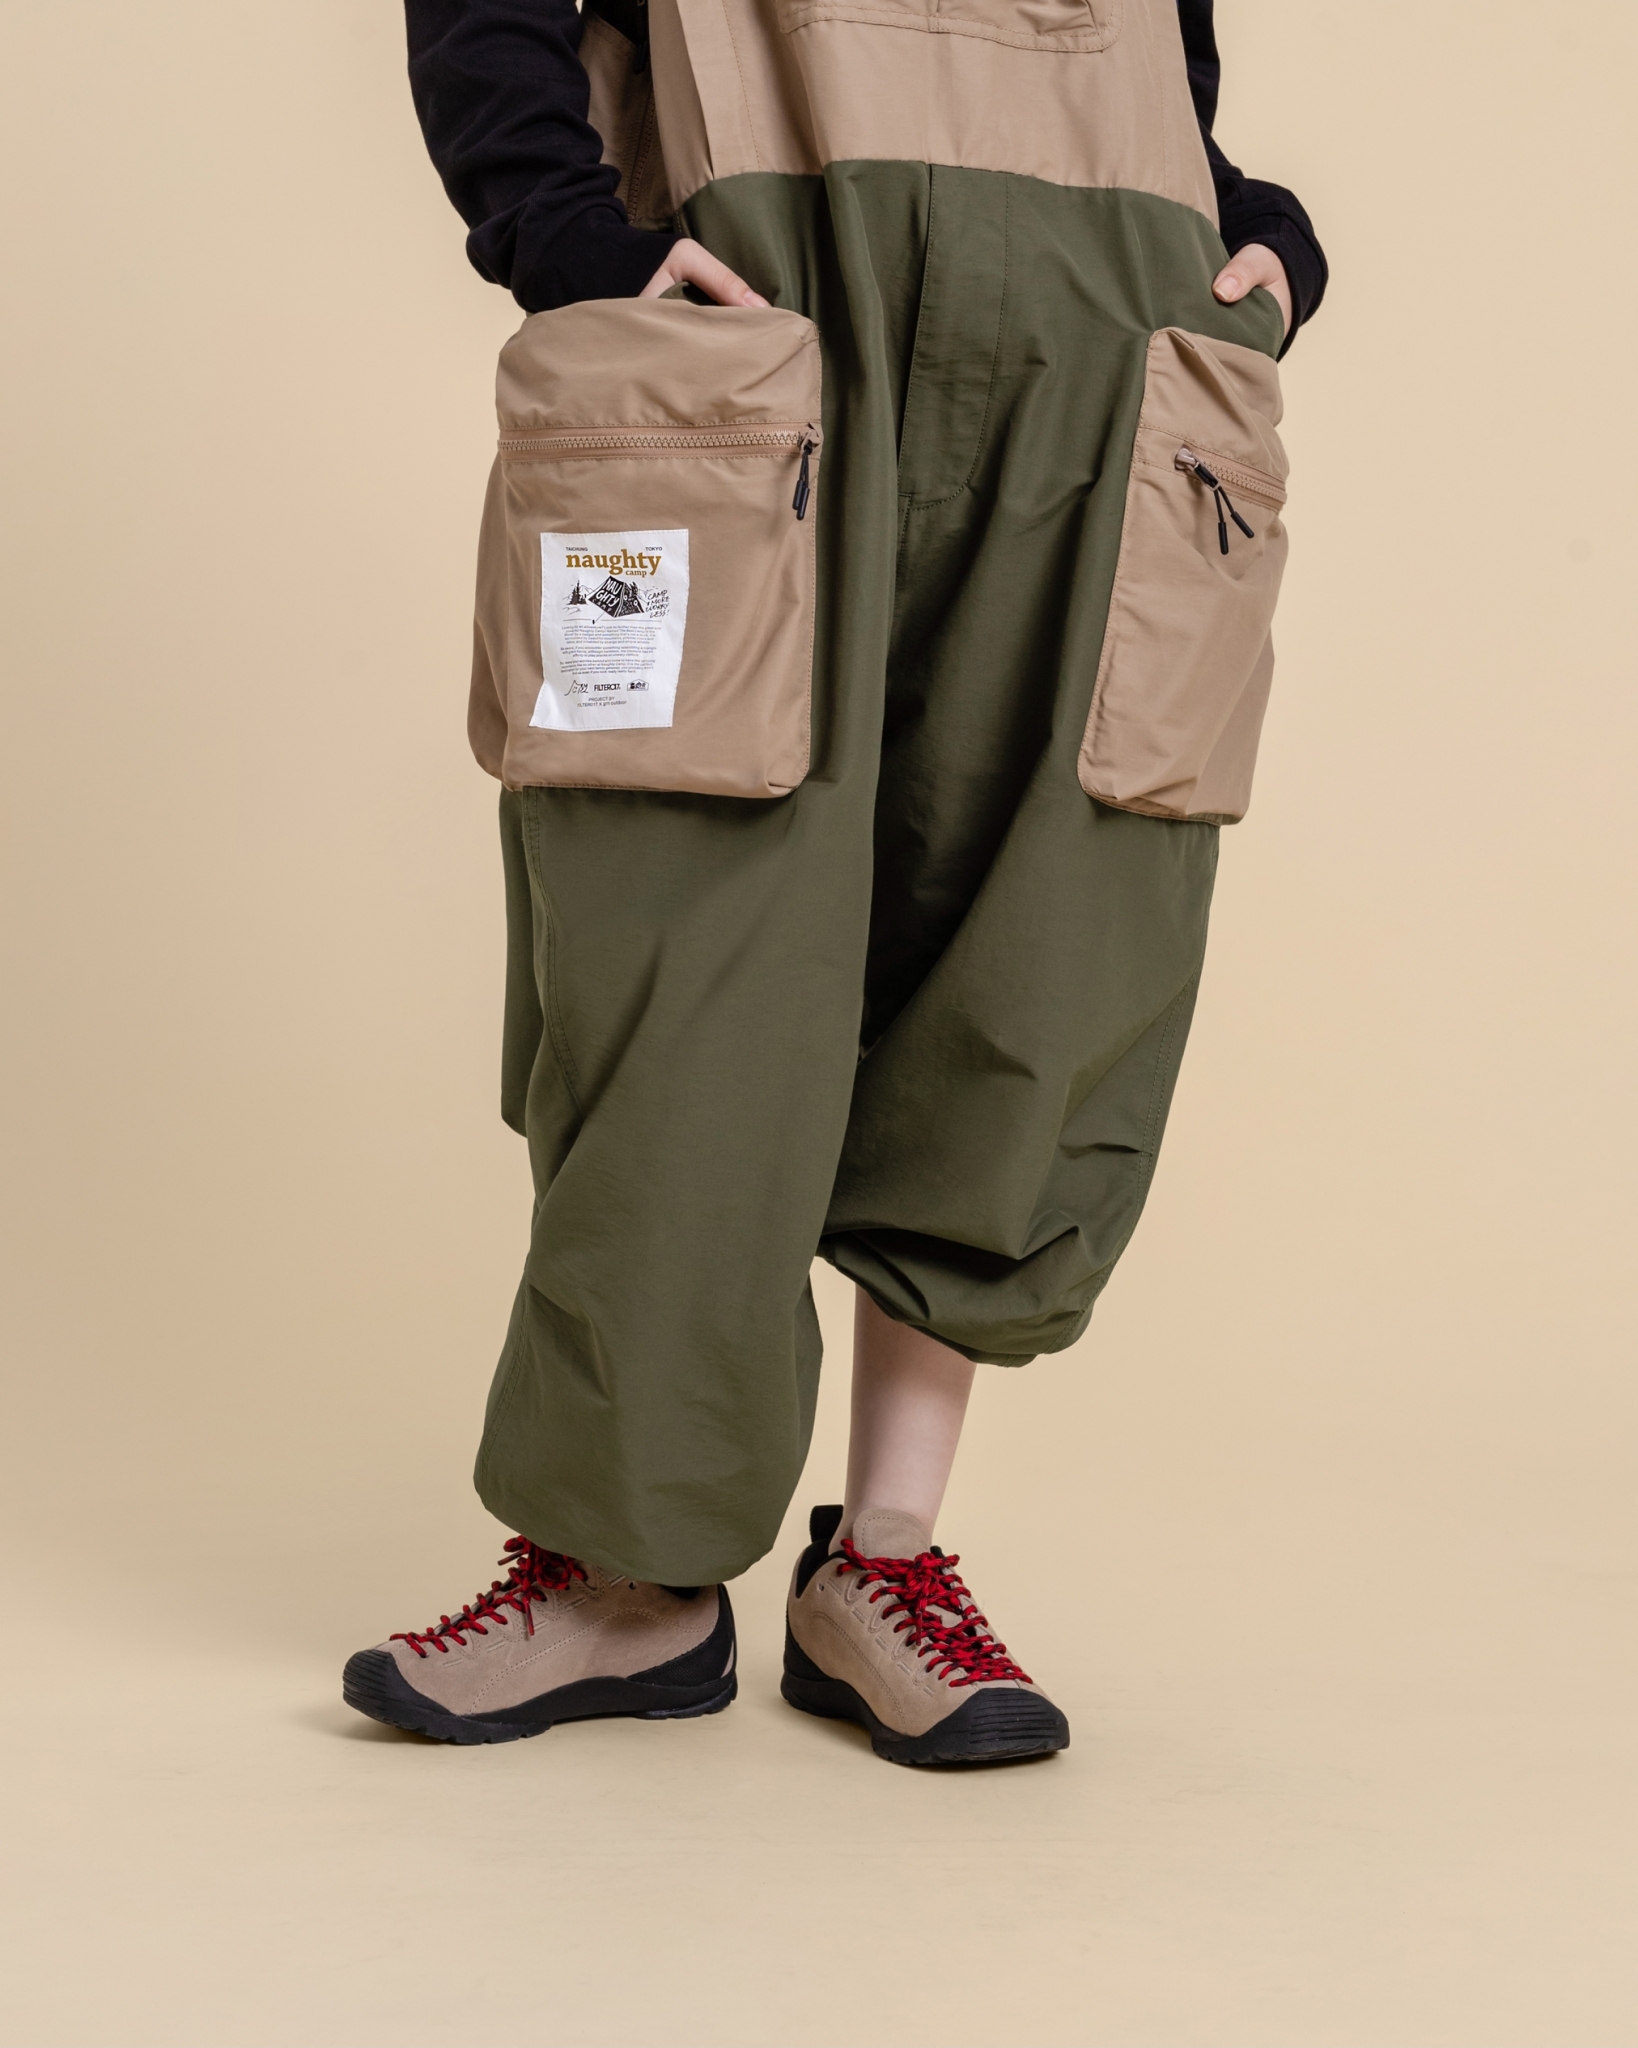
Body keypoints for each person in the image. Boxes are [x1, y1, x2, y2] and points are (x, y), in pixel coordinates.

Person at [342, 0, 1326, 1764]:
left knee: (1040, 943)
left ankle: (884, 1558)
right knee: (679, 948)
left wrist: (1245, 218)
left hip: (1109, 347)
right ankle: (626, 1575)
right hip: (753, 298)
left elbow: (1156, 61)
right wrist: (554, 223)